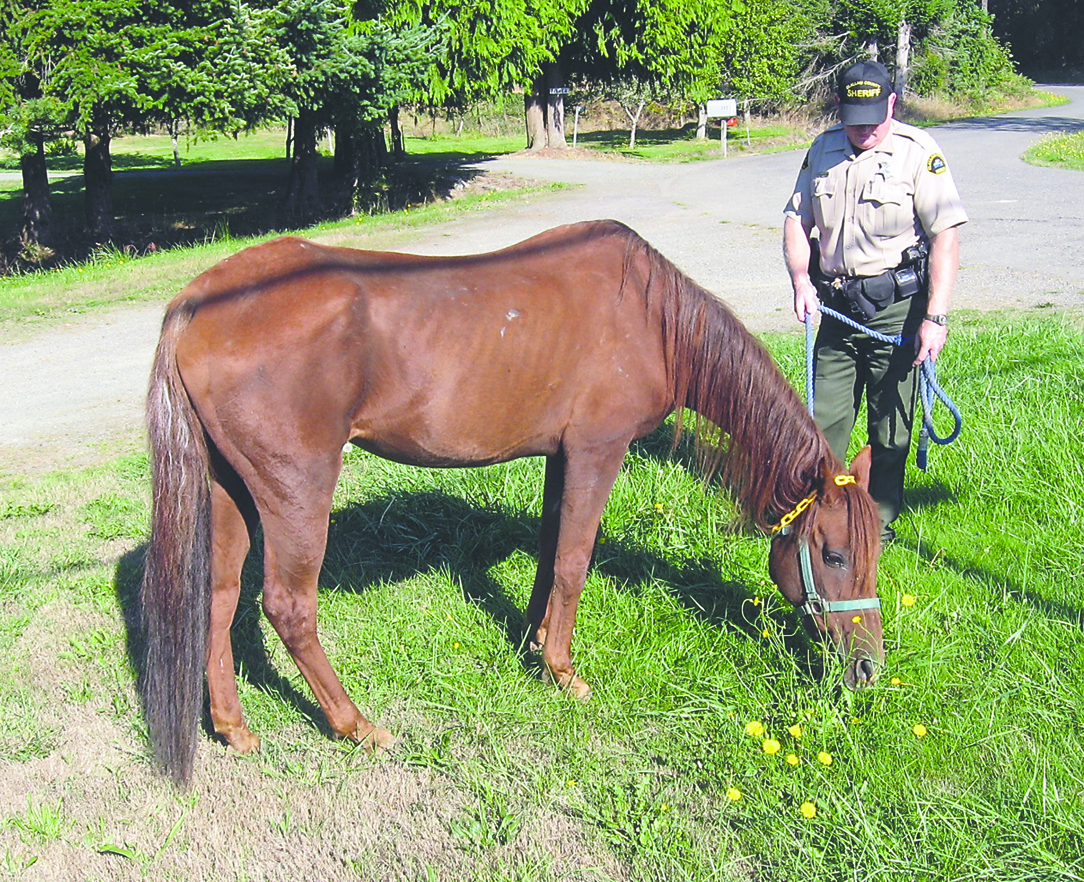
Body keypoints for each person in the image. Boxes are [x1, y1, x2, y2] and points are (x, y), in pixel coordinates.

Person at [782, 60, 968, 542]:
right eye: (853, 119)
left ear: (892, 103)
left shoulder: (917, 152)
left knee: (892, 430)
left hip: (896, 313)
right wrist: (802, 279)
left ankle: (878, 523)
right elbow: (796, 222)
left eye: (873, 118)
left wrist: (936, 317)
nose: (863, 130)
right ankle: (822, 517)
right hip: (838, 311)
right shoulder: (822, 150)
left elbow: (946, 237)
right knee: (822, 427)